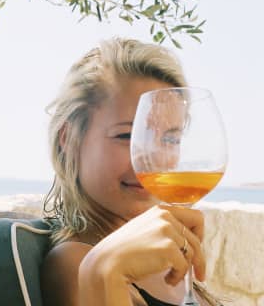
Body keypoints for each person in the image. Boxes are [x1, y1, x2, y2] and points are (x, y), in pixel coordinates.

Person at [41, 38, 223, 306]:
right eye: (127, 135)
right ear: (68, 139)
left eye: (170, 139)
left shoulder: (158, 257)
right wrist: (105, 269)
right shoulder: (79, 264)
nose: (154, 158)